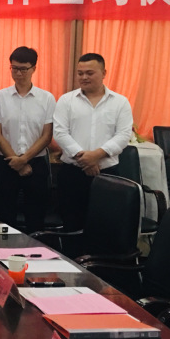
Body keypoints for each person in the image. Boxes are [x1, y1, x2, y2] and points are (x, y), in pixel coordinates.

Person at [53, 52, 133, 231]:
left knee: (105, 226)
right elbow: (59, 133)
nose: (84, 77)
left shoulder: (120, 102)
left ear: (104, 73)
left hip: (107, 175)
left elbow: (123, 135)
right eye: (80, 73)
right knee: (72, 226)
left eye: (89, 73)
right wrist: (85, 159)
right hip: (72, 174)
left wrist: (96, 155)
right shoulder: (66, 100)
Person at [0, 47, 56, 233]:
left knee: (35, 217)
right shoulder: (0, 97)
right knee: (5, 217)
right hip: (7, 162)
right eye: (14, 68)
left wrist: (24, 159)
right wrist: (17, 162)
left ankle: (35, 250)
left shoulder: (47, 98)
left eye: (23, 69)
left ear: (34, 68)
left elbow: (47, 135)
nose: (18, 73)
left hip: (36, 164)